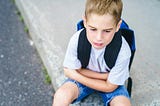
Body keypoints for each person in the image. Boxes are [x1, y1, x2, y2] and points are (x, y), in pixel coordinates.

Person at [53, 0, 131, 106]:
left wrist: (76, 75)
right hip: (96, 80)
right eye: (93, 29)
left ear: (118, 26)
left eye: (107, 31)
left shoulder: (123, 50)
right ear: (85, 21)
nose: (99, 38)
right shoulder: (77, 39)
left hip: (109, 85)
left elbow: (110, 87)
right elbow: (73, 70)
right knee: (61, 95)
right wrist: (106, 76)